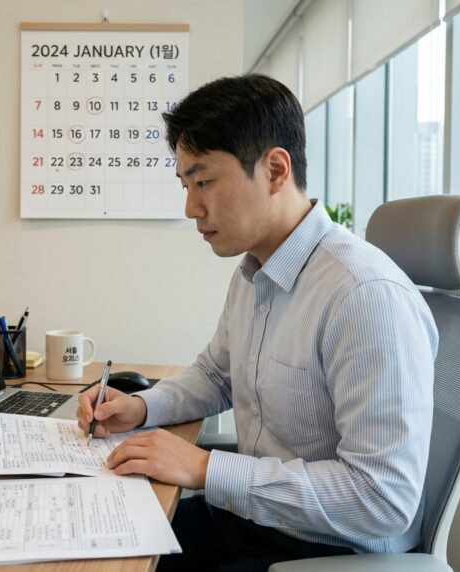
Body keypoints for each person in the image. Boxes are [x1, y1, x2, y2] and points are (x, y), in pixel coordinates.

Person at [76, 75, 439, 571]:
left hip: (322, 552)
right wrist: (140, 407)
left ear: (274, 169)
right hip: (251, 522)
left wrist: (205, 468)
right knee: (96, 545)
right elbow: (215, 375)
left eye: (203, 182)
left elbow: (382, 498)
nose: (190, 207)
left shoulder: (364, 297)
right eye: (186, 185)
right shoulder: (253, 273)